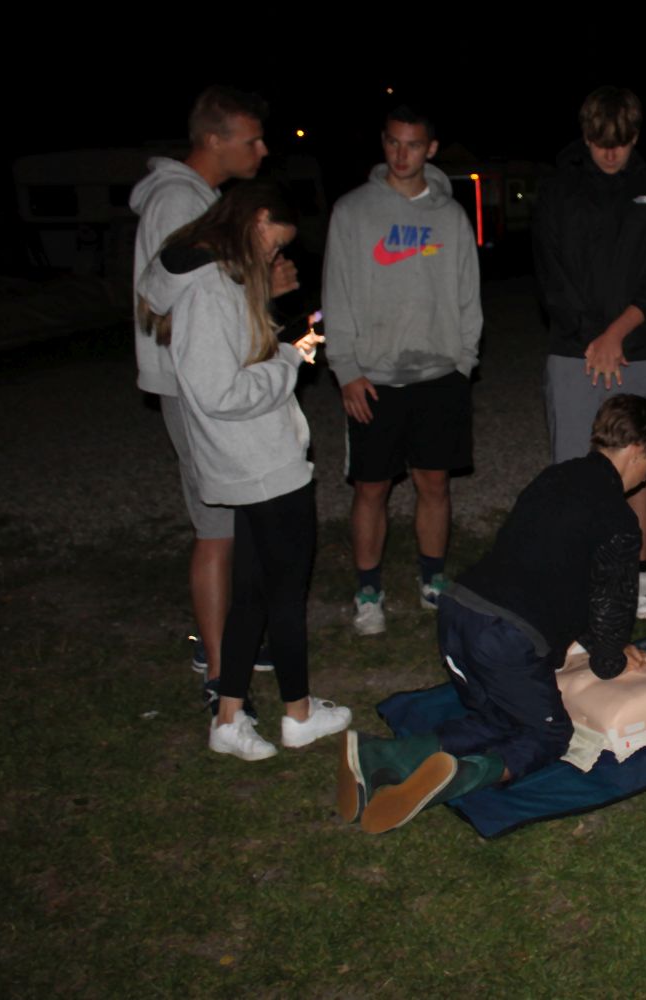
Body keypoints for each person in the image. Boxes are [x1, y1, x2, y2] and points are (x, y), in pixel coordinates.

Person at [336, 394, 646, 834]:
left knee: (500, 718)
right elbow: (609, 640)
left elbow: (550, 569)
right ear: (638, 451)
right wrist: (614, 654)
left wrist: (598, 638)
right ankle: (461, 777)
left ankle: (384, 755)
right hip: (505, 636)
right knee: (548, 734)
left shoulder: (553, 477)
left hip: (458, 610)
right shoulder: (619, 521)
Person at [137, 181, 350, 761]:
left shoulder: (217, 283)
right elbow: (220, 391)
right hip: (261, 464)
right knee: (286, 595)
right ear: (255, 221)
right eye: (273, 244)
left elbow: (235, 356)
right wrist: (290, 358)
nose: (272, 256)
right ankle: (298, 715)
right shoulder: (209, 290)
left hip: (251, 462)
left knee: (253, 594)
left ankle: (228, 719)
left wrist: (278, 332)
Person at [130, 85, 297, 704]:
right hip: (196, 386)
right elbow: (187, 302)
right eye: (251, 140)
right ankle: (218, 665)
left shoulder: (200, 200)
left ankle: (234, 643)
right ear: (212, 139)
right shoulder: (178, 201)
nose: (262, 150)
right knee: (217, 524)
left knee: (232, 520)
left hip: (207, 379)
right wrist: (264, 289)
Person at [533, 85, 646, 620]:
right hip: (573, 348)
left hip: (639, 348)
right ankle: (572, 572)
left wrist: (618, 332)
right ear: (585, 135)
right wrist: (593, 338)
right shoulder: (559, 188)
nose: (609, 152)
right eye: (600, 141)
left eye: (620, 142)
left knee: (634, 462)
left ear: (636, 137)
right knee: (574, 466)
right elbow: (550, 273)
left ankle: (635, 571)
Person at [322, 104, 482, 637]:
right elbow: (336, 293)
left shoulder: (450, 216)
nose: (401, 153)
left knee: (434, 482)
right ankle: (368, 590)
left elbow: (468, 294)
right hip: (373, 377)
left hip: (439, 374)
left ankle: (432, 579)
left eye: (412, 144)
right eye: (393, 142)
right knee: (371, 487)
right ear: (383, 142)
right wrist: (345, 367)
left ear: (430, 149)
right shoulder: (352, 211)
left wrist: (464, 361)